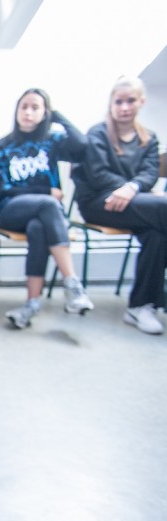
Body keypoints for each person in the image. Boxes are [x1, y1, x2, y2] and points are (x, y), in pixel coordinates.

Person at [0, 88, 93, 329]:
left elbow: (82, 145)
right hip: (10, 210)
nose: (28, 112)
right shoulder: (2, 146)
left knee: (38, 228)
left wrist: (57, 116)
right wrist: (44, 191)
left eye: (35, 107)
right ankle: (72, 283)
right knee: (49, 203)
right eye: (24, 106)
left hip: (44, 216)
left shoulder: (52, 141)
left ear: (45, 112)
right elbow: (0, 189)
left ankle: (31, 304)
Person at [71, 76, 167, 335]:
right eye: (119, 101)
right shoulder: (97, 134)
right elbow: (98, 174)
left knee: (157, 234)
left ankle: (140, 306)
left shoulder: (149, 138)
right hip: (99, 203)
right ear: (111, 103)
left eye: (130, 101)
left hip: (135, 202)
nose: (124, 107)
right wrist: (129, 189)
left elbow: (150, 173)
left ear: (141, 102)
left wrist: (132, 189)